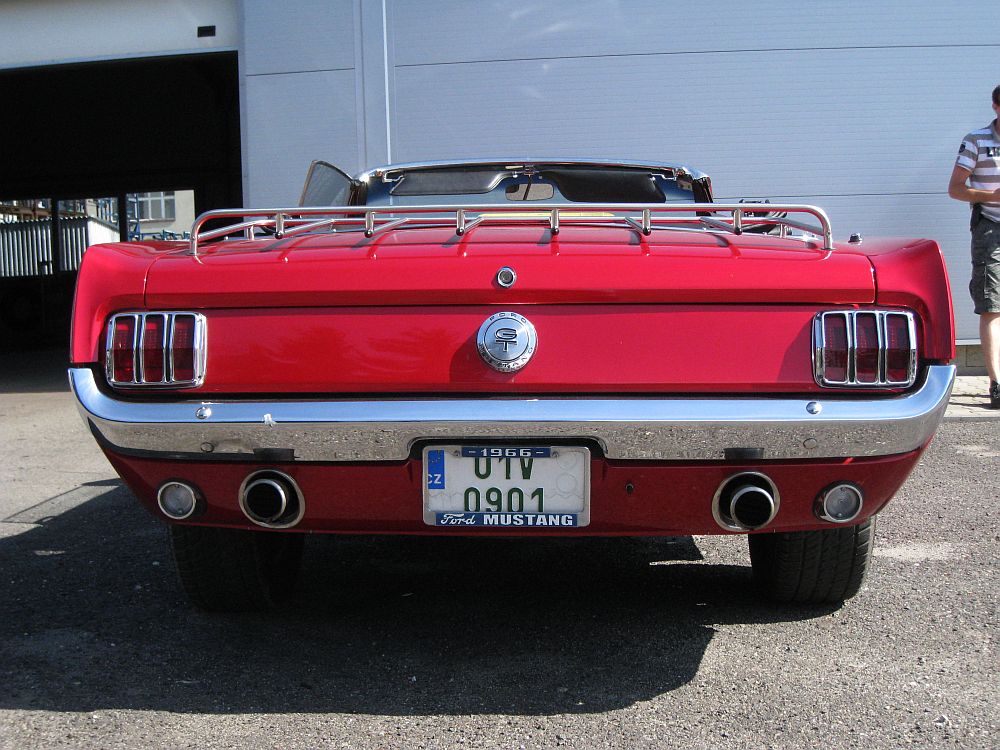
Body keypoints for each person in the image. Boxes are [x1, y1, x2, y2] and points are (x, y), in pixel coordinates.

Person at [948, 84, 1000, 409]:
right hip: (991, 230)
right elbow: (955, 188)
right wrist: (990, 197)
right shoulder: (977, 141)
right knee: (993, 306)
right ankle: (997, 383)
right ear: (996, 106)